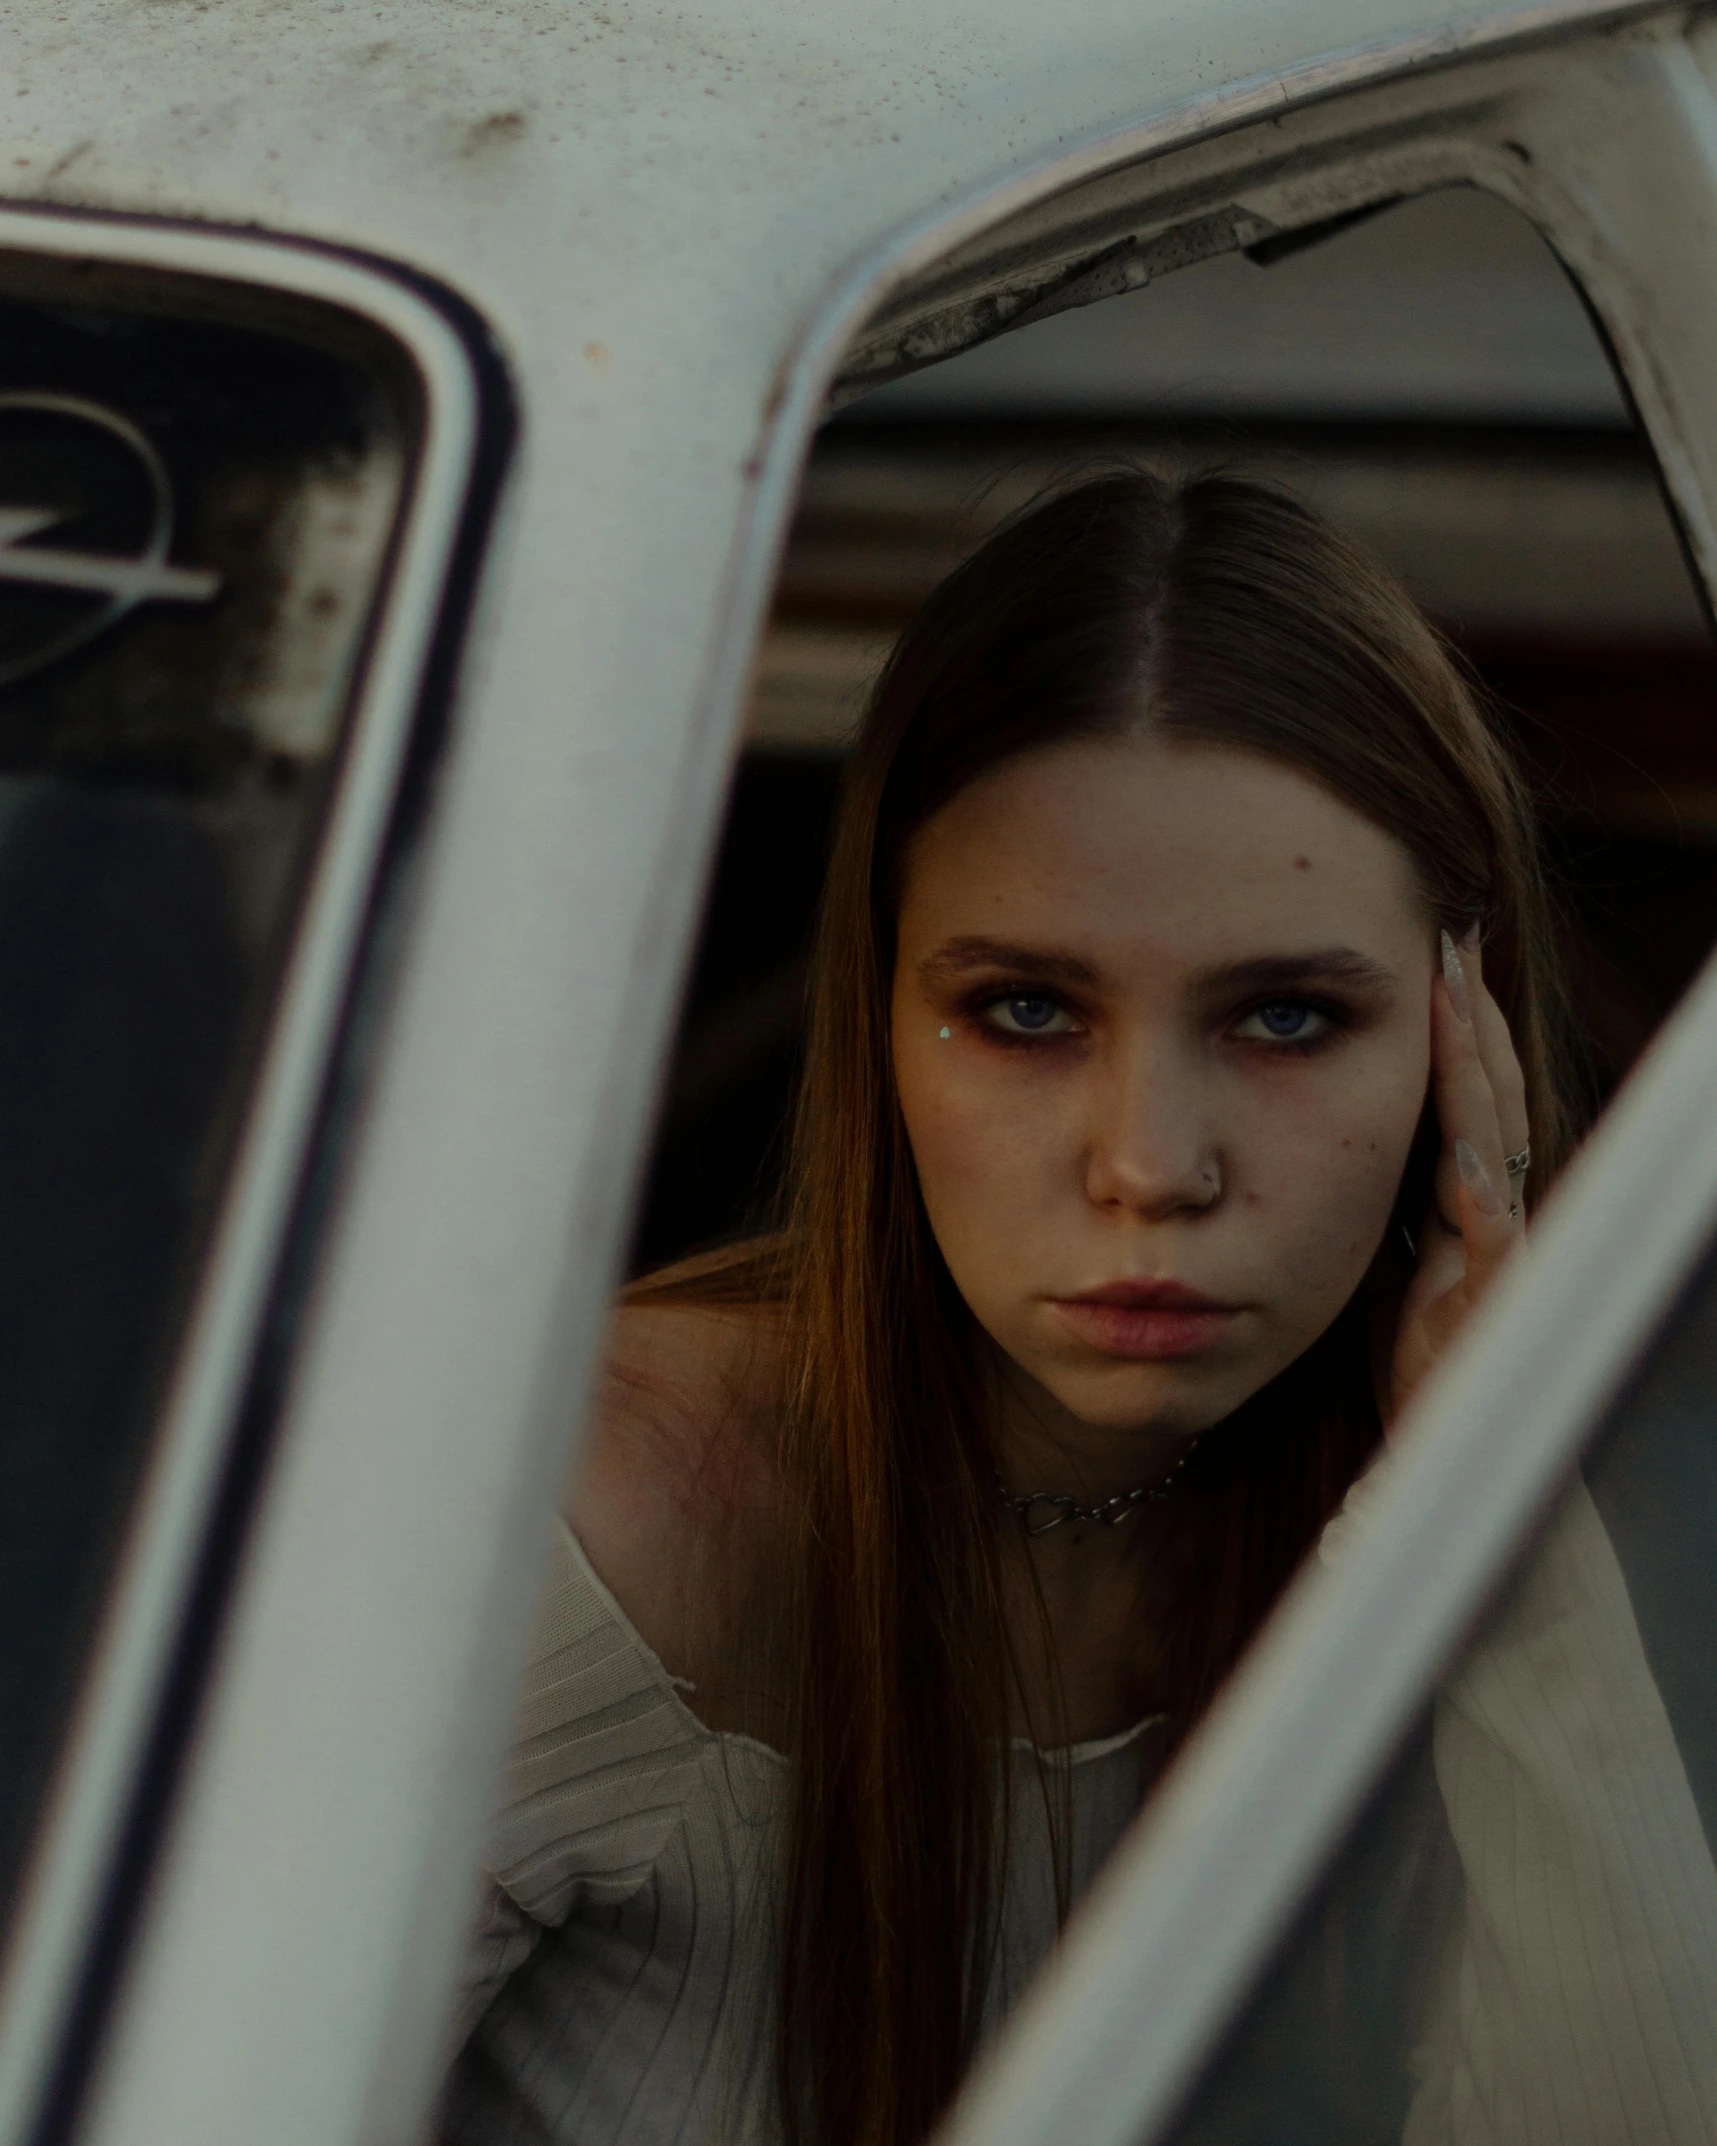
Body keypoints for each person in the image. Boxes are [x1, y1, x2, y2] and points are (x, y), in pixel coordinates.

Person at [436, 472, 1717, 2146]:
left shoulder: (1506, 1509)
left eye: (1284, 1018)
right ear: (879, 1018)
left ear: (1452, 1041)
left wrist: (1495, 1512)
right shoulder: (576, 1507)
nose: (1150, 1166)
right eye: (1027, 1007)